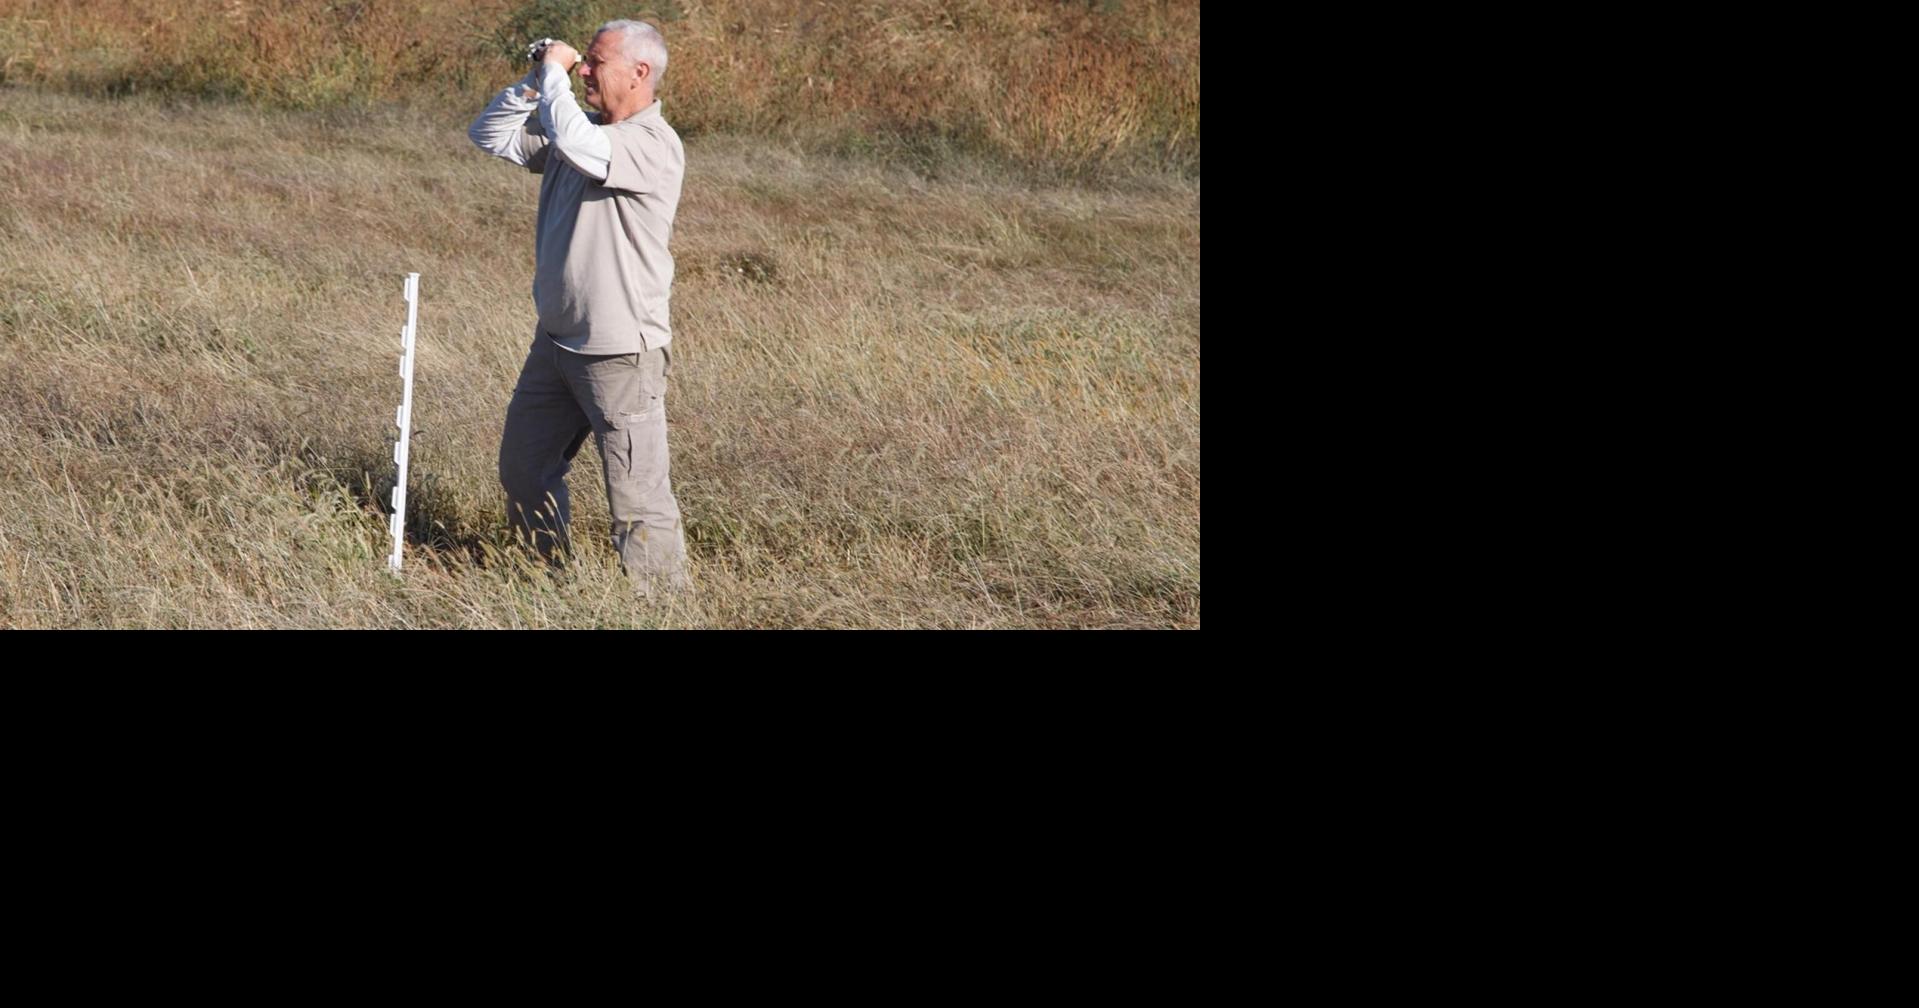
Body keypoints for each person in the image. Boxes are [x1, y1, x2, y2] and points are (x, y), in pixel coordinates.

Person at [467, 19, 688, 595]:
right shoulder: (577, 130)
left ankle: (660, 607)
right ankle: (545, 583)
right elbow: (489, 134)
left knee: (637, 500)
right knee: (524, 469)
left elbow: (587, 150)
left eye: (595, 62)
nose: (583, 71)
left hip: (619, 353)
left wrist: (555, 77)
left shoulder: (650, 144)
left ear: (639, 73)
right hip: (557, 344)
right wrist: (535, 82)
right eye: (581, 61)